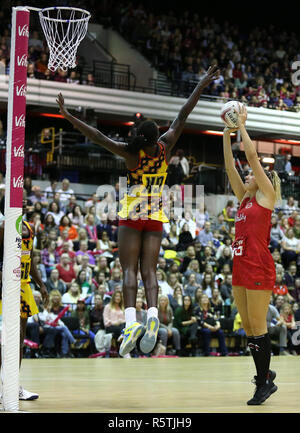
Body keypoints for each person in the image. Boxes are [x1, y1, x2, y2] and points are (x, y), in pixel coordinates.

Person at [56, 65, 220, 357]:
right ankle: (154, 317)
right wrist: (202, 84)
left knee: (129, 270)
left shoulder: (132, 153)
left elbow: (97, 136)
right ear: (156, 136)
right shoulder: (166, 146)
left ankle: (131, 322)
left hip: (132, 216)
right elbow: (183, 113)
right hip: (155, 216)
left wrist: (69, 117)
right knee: (150, 272)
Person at [223, 104, 281, 405]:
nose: (248, 175)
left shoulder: (266, 197)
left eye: (253, 175)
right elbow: (232, 167)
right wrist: (225, 133)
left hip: (258, 265)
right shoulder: (245, 199)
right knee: (248, 329)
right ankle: (266, 375)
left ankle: (263, 383)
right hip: (240, 263)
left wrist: (242, 126)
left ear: (263, 181)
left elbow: (250, 158)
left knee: (258, 328)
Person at [0, 195, 49, 400]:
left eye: (23, 198)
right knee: (5, 340)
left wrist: (41, 284)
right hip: (6, 286)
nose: (23, 201)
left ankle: (12, 386)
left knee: (19, 339)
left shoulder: (29, 226)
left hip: (24, 285)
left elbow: (30, 258)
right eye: (17, 198)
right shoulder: (4, 227)